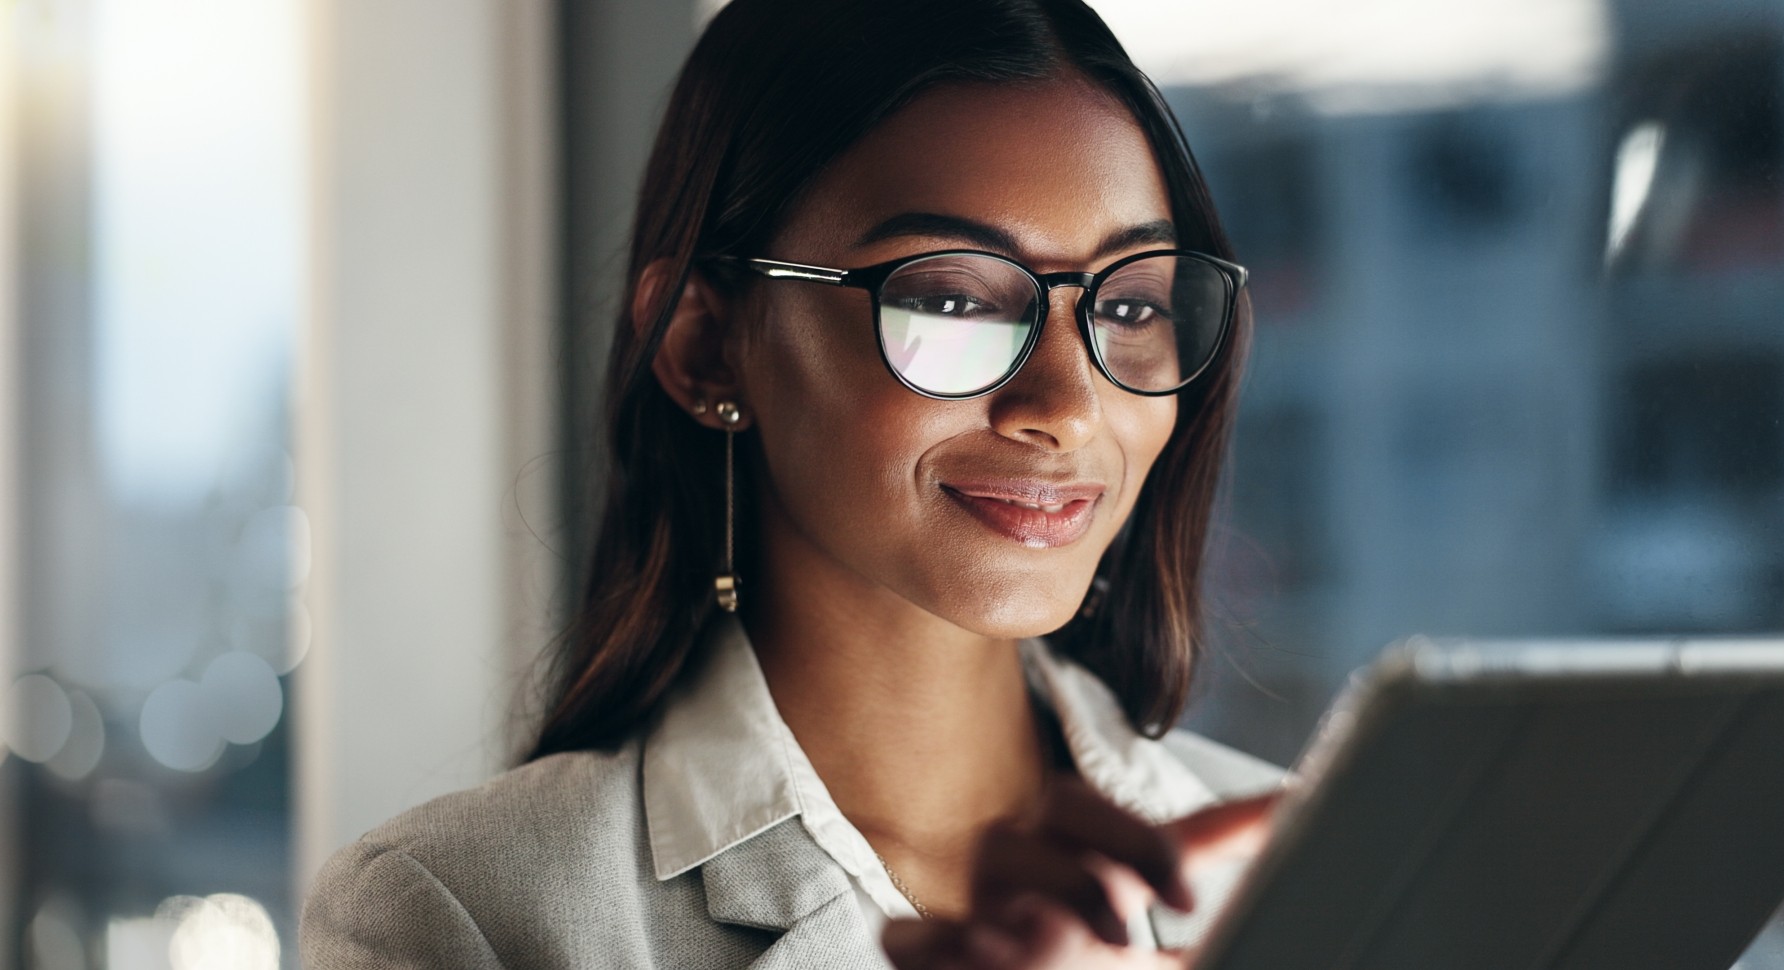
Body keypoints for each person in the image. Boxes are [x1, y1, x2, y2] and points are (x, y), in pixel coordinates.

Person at [300, 0, 1284, 966]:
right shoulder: (464, 910)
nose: (1066, 405)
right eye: (950, 300)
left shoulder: (1305, 863)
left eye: (1130, 304)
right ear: (705, 348)